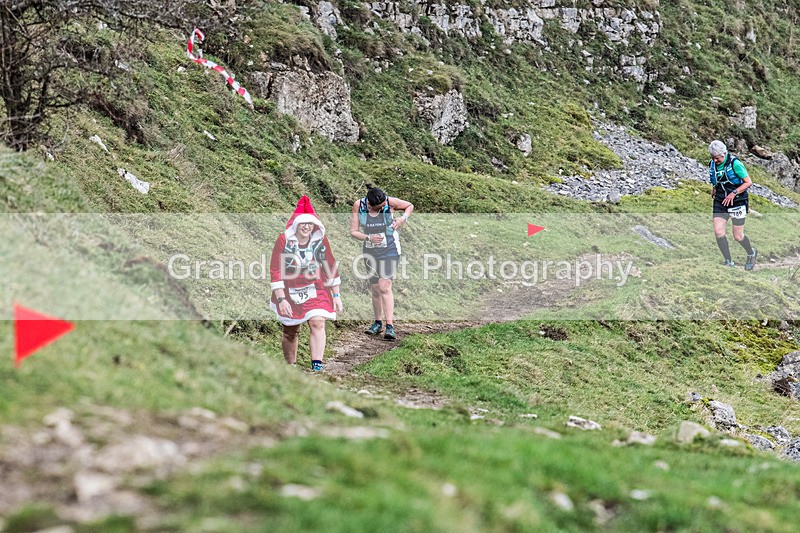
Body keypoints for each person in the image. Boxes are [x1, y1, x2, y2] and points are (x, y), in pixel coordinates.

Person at [270, 196, 343, 371]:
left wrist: (337, 295)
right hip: (289, 291)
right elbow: (276, 270)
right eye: (303, 223)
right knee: (291, 331)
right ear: (296, 225)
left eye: (310, 223)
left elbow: (330, 265)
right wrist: (281, 299)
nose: (306, 227)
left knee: (318, 322)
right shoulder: (283, 241)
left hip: (316, 289)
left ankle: (317, 366)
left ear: (315, 225)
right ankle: (291, 368)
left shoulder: (320, 241)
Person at [350, 184, 413, 340]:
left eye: (385, 203)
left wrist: (402, 219)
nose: (385, 206)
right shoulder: (359, 205)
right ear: (370, 204)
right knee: (376, 288)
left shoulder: (389, 201)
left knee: (385, 286)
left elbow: (409, 206)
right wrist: (368, 238)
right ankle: (377, 322)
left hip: (390, 249)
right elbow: (353, 231)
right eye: (380, 206)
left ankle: (389, 326)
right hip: (370, 251)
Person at [709, 140, 757, 270]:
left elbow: (748, 182)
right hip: (720, 201)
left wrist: (733, 193)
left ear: (724, 154)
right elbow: (716, 178)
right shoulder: (712, 164)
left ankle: (751, 253)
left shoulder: (735, 164)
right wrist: (714, 188)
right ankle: (728, 261)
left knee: (738, 236)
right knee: (718, 232)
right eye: (712, 158)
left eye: (717, 158)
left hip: (737, 201)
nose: (715, 160)